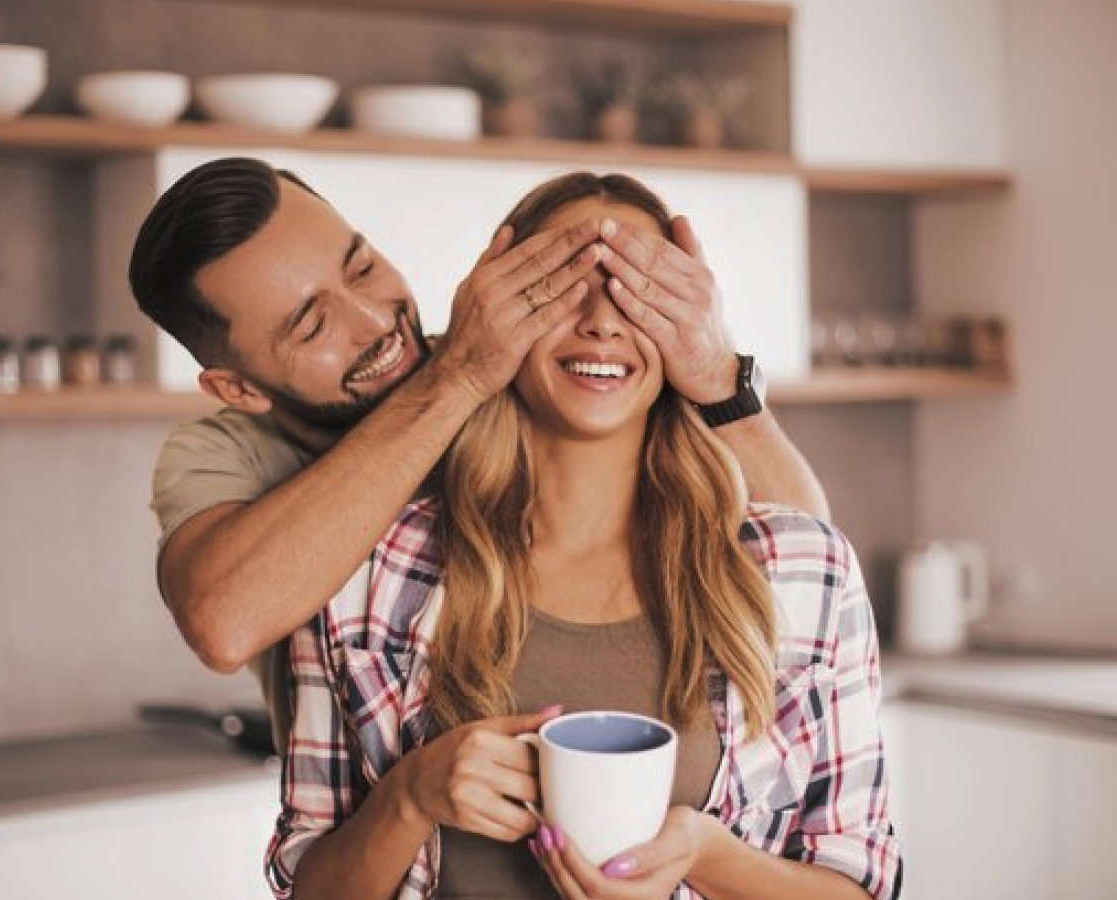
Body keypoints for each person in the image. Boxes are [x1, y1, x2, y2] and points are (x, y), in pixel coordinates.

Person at [264, 172, 901, 900]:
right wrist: (409, 797)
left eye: (638, 291)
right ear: (497, 313)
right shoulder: (367, 569)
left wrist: (707, 856)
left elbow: (862, 885)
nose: (602, 322)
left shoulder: (802, 570)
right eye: (562, 285)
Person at [131, 157, 828, 752]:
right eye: (314, 325)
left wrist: (719, 383)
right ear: (237, 388)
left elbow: (809, 573)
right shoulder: (224, 452)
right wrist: (455, 378)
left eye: (364, 267)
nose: (376, 321)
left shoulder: (524, 366)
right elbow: (225, 622)